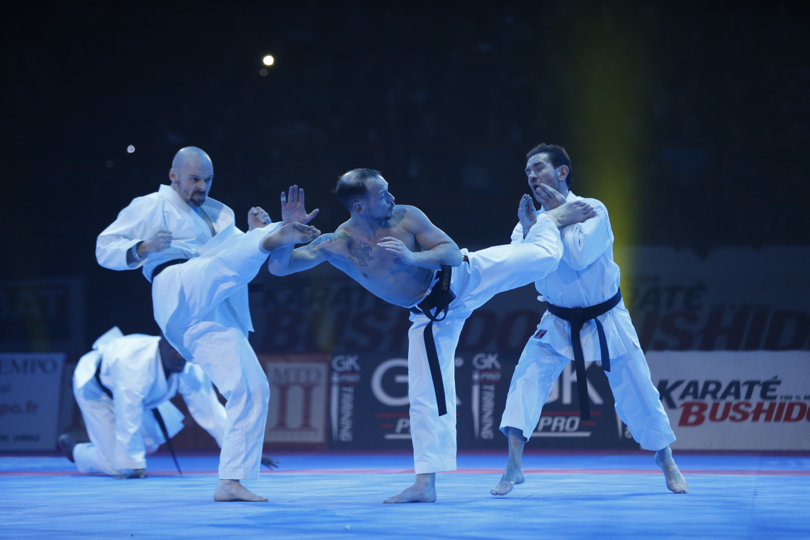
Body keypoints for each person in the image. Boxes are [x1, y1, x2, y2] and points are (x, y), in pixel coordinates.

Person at [267, 169, 595, 503]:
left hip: (464, 276)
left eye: (388, 190)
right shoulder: (337, 244)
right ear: (359, 207)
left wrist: (412, 256)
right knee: (425, 396)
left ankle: (550, 221)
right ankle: (425, 484)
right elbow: (280, 267)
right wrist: (286, 234)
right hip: (430, 316)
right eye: (382, 194)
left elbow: (450, 252)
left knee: (544, 257)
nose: (391, 198)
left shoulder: (406, 216)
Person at [96, 147, 319, 501]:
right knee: (218, 267)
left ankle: (231, 481)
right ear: (174, 176)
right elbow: (104, 246)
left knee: (252, 387)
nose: (202, 186)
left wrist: (248, 233)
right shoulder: (151, 205)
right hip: (177, 284)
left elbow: (230, 263)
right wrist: (143, 247)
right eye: (195, 179)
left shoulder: (219, 214)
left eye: (208, 179)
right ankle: (275, 235)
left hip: (214, 310)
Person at [492, 143, 688, 497]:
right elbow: (524, 265)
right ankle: (513, 465)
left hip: (605, 316)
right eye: (528, 173)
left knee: (639, 389)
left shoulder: (592, 208)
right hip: (557, 319)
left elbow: (580, 256)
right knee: (525, 381)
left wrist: (554, 216)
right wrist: (546, 222)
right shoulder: (529, 223)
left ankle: (666, 458)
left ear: (562, 172)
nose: (532, 176)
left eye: (539, 168)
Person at [58, 327, 280, 478]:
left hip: (140, 396)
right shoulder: (134, 364)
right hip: (96, 390)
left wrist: (243, 451)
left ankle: (115, 452)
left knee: (151, 444)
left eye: (182, 352)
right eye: (172, 351)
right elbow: (128, 415)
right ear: (161, 345)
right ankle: (75, 452)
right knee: (118, 465)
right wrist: (133, 465)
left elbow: (209, 410)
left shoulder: (189, 361)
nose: (178, 357)